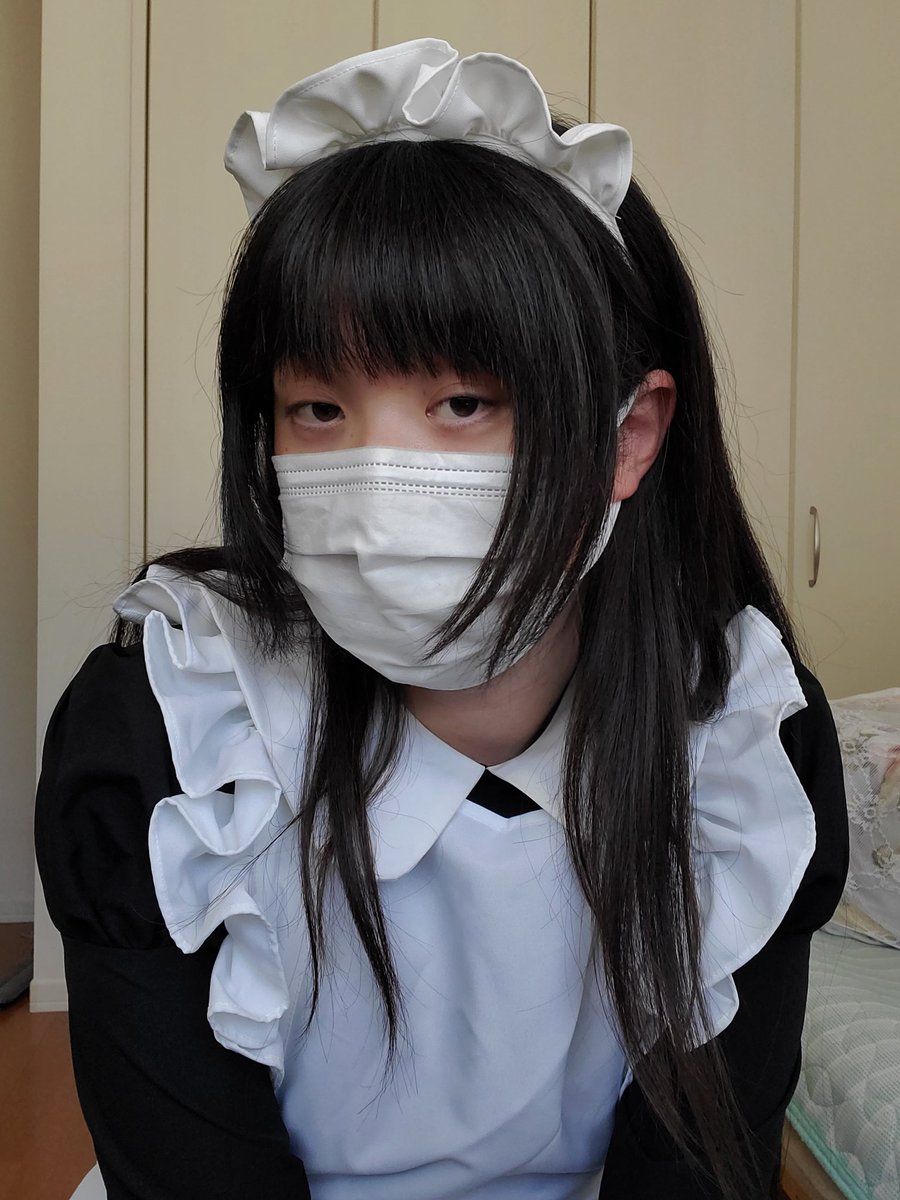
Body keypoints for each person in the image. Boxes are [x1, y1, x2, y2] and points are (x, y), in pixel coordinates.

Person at [35, 38, 848, 1200]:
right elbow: (186, 1166)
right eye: (317, 408)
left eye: (463, 401)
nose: (377, 487)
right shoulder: (170, 732)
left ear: (628, 435)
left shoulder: (741, 742)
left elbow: (697, 1169)